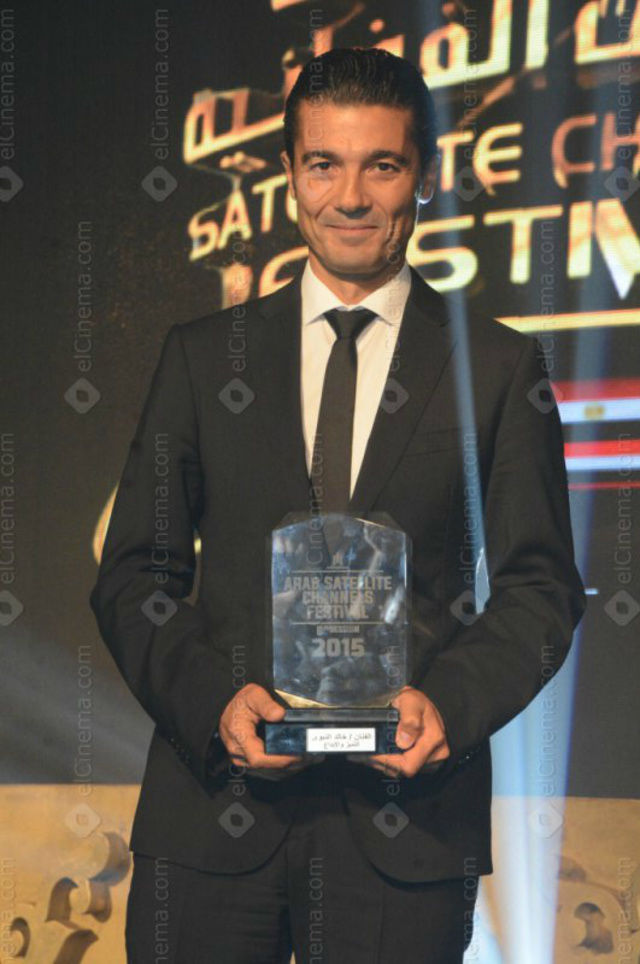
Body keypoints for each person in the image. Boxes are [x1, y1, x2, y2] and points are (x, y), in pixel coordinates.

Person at [90, 47, 586, 963]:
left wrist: (447, 706)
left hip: (406, 831)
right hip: (212, 824)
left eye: (381, 166)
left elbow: (541, 588)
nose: (350, 197)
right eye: (324, 164)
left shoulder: (497, 367)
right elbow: (132, 576)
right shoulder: (202, 357)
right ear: (290, 175)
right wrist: (216, 703)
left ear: (423, 177)